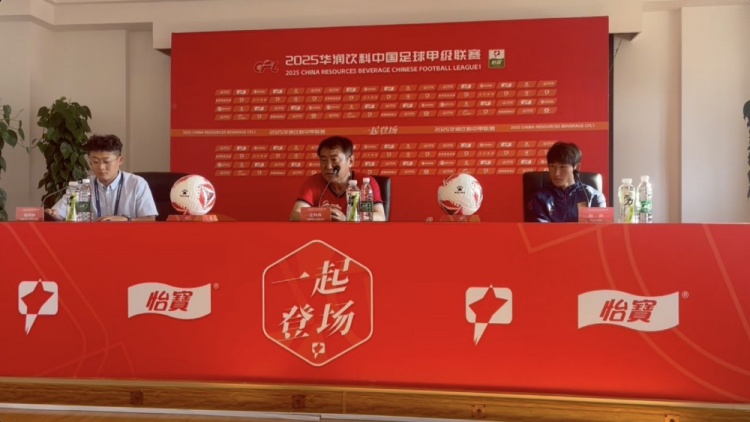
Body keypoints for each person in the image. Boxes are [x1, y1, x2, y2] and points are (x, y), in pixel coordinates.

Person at [46, 134, 158, 222]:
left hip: (127, 240)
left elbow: (150, 219)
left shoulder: (136, 184)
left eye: (106, 161)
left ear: (120, 160)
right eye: (95, 162)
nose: (101, 167)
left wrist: (126, 220)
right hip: (90, 240)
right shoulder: (82, 186)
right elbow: (58, 214)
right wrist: (51, 214)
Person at [290, 136, 386, 222]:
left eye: (334, 160)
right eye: (323, 160)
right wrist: (322, 213)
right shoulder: (314, 182)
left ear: (350, 161)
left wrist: (348, 218)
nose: (328, 166)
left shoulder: (365, 183)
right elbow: (294, 215)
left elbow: (380, 217)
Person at [528, 142, 606, 222]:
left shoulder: (593, 196)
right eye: (552, 166)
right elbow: (541, 229)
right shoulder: (540, 199)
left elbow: (599, 228)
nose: (556, 173)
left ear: (577, 167)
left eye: (562, 167)